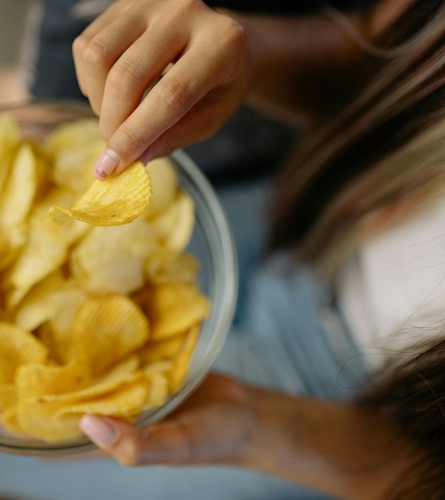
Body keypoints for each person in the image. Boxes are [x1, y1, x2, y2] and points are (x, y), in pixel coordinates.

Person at [67, 0, 445, 498]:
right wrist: (244, 58)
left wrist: (254, 430)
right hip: (299, 218)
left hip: (343, 418)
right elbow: (383, 59)